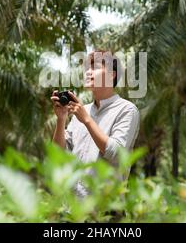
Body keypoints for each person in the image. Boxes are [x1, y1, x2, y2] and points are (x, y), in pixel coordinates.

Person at [51, 50, 140, 198]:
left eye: (95, 67)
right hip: (73, 209)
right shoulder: (81, 111)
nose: (88, 72)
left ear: (112, 74)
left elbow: (115, 153)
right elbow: (58, 155)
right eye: (87, 68)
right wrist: (61, 120)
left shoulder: (127, 110)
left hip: (106, 210)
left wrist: (87, 120)